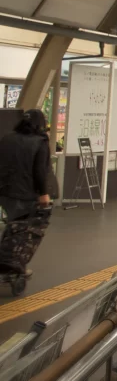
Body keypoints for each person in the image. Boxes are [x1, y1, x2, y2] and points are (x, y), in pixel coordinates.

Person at [0, 109, 52, 277]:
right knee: (24, 229)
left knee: (12, 224)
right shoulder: (40, 142)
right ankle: (14, 264)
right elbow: (39, 171)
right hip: (25, 193)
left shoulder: (7, 138)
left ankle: (6, 261)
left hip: (5, 192)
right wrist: (44, 193)